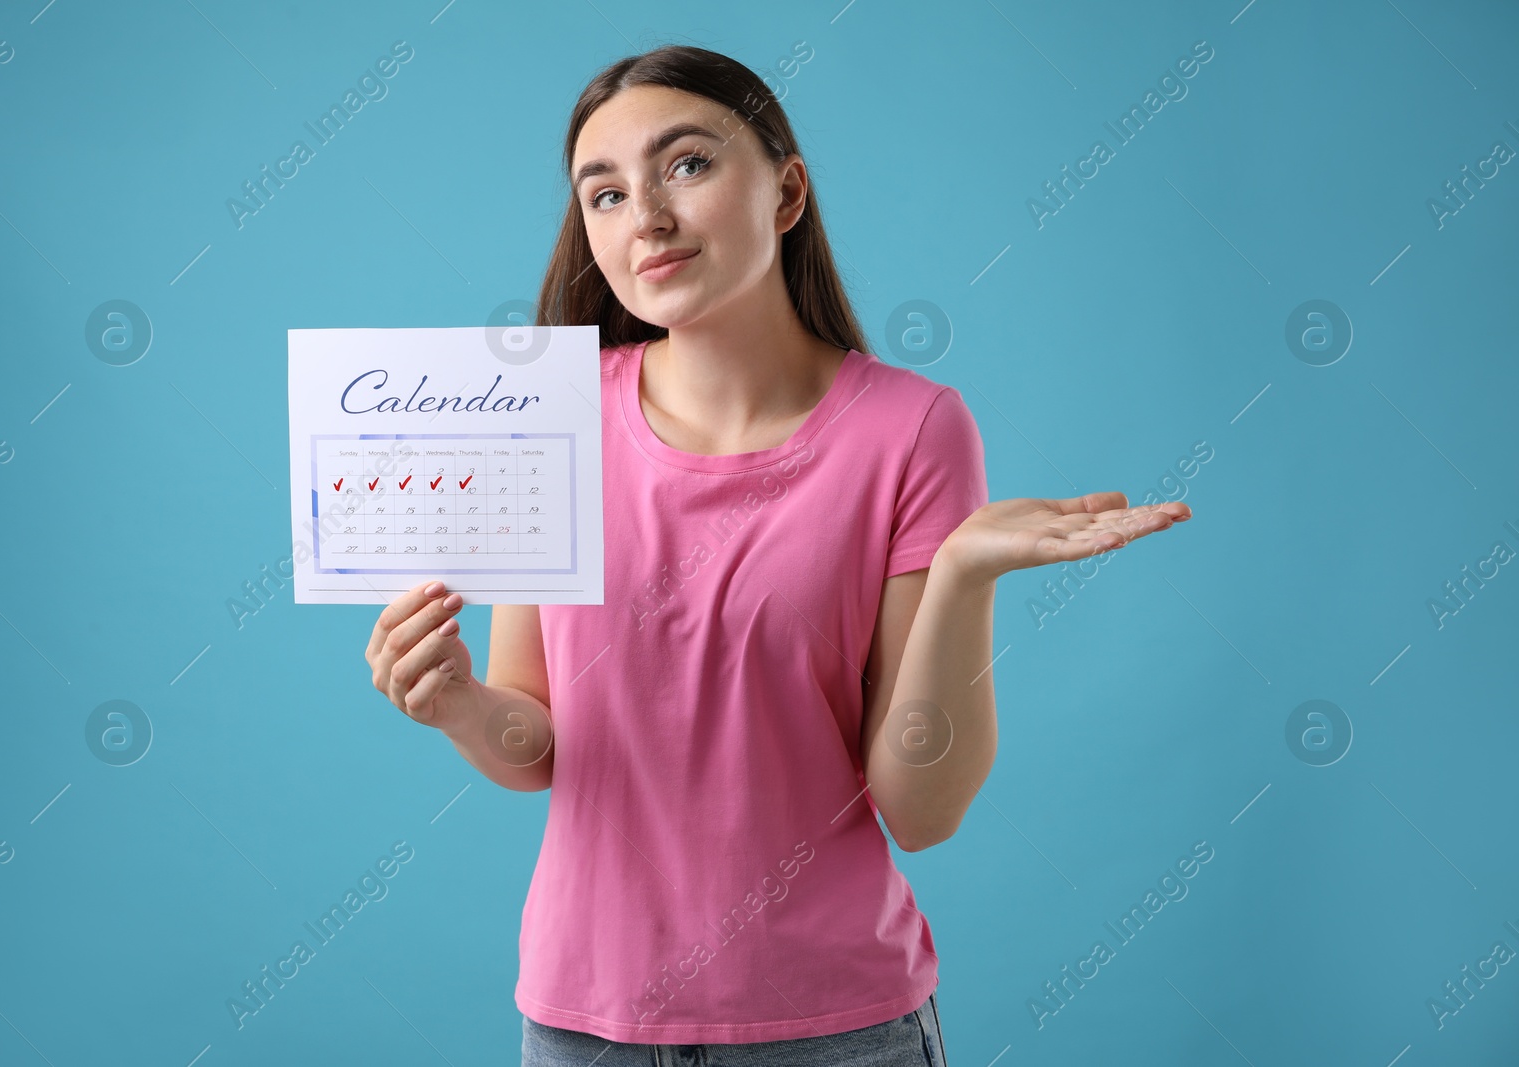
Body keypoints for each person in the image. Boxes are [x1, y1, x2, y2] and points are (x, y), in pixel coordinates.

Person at [364, 43, 1191, 1066]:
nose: (648, 217)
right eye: (606, 194)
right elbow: (535, 751)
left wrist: (964, 577)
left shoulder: (913, 429)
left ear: (787, 190)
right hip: (585, 1024)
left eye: (687, 165)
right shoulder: (553, 415)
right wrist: (455, 704)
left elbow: (920, 810)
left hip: (836, 1027)